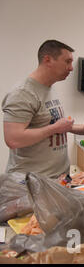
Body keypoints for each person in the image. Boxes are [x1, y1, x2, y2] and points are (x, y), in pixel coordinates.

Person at [2, 40, 75, 179]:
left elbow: (48, 125)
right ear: (47, 60)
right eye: (67, 61)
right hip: (32, 183)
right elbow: (13, 139)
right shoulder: (23, 93)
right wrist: (54, 128)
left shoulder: (49, 87)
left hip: (56, 179)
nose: (71, 68)